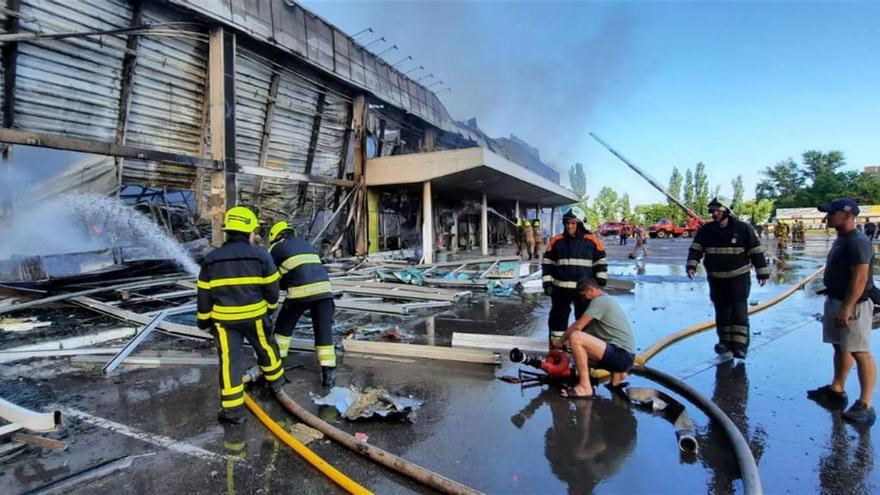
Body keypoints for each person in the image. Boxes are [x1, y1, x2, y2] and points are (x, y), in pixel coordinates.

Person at [197, 206, 285, 424]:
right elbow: (273, 289)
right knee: (266, 349)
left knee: (229, 362)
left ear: (228, 231)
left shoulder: (211, 259)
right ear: (248, 232)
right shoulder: (261, 256)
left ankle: (233, 411)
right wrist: (270, 308)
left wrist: (204, 321)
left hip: (224, 322)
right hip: (255, 317)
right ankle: (277, 385)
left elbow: (204, 295)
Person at [807, 199, 876, 426]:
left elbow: (860, 278)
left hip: (853, 304)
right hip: (837, 299)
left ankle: (866, 404)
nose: (826, 218)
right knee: (841, 346)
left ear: (847, 215)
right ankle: (837, 389)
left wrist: (847, 307)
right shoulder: (843, 239)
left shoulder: (858, 241)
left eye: (831, 213)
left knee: (859, 350)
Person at [687, 198, 769, 359]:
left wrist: (762, 272)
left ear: (726, 211)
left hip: (738, 277)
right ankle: (724, 342)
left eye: (718, 210)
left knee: (739, 311)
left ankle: (739, 346)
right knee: (722, 311)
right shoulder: (706, 230)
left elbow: (755, 251)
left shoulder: (743, 229)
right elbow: (696, 248)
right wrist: (691, 265)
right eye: (712, 211)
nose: (714, 214)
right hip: (716, 279)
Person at [268, 221, 337, 387]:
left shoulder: (275, 248)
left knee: (283, 329)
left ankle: (276, 367)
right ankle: (328, 375)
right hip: (325, 292)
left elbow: (269, 278)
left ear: (274, 236)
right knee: (323, 332)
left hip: (300, 292)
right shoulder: (305, 244)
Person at [551, 277, 636, 398]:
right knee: (576, 353)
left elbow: (578, 326)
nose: (583, 298)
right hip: (624, 357)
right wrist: (565, 346)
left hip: (622, 355)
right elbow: (587, 338)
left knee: (576, 336)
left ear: (590, 289)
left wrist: (560, 341)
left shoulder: (601, 301)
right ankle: (618, 375)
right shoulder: (603, 304)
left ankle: (585, 387)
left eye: (584, 294)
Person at [542, 206, 608, 343]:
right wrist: (547, 283)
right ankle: (556, 347)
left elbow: (600, 262)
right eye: (567, 223)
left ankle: (585, 347)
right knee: (557, 320)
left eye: (573, 223)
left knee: (585, 320)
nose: (569, 226)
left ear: (580, 224)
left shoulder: (592, 240)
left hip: (584, 292)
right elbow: (547, 263)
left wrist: (600, 283)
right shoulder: (556, 241)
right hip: (560, 290)